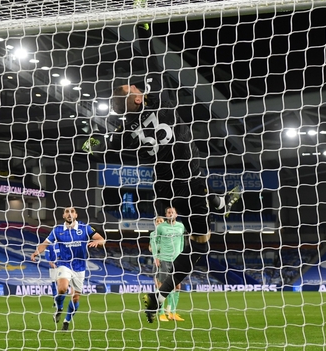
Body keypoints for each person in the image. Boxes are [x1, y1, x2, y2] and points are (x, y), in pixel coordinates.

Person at [84, 80, 241, 323]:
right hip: (190, 180)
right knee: (200, 244)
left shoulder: (124, 134)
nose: (138, 87)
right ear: (137, 99)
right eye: (134, 89)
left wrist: (88, 141)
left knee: (201, 215)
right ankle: (158, 296)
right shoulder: (162, 102)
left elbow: (98, 152)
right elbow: (157, 72)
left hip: (164, 187)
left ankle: (220, 203)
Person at [30, 207, 105, 332]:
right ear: (63, 215)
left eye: (72, 211)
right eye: (66, 212)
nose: (69, 214)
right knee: (62, 288)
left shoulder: (85, 228)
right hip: (64, 264)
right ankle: (59, 308)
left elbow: (102, 239)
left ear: (76, 215)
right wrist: (36, 252)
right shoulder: (57, 230)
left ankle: (67, 321)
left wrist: (97, 242)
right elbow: (45, 243)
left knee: (75, 298)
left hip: (80, 267)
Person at [151, 207, 187, 322]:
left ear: (176, 214)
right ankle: (161, 313)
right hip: (164, 259)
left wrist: (182, 256)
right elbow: (154, 241)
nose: (170, 214)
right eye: (168, 212)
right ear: (166, 214)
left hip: (177, 260)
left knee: (177, 286)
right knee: (162, 286)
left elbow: (181, 241)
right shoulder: (161, 227)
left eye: (172, 212)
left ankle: (172, 312)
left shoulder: (181, 226)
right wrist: (156, 256)